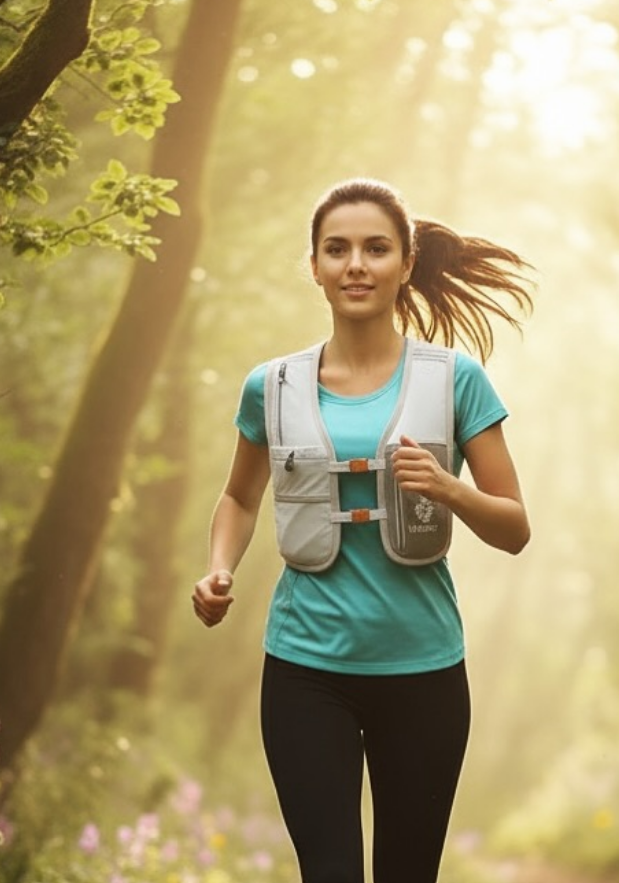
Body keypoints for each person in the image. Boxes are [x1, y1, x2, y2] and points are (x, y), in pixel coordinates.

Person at [192, 178, 533, 883]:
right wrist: (219, 566)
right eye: (337, 248)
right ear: (314, 265)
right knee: (332, 872)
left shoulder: (455, 380)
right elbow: (238, 496)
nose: (356, 264)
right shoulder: (272, 386)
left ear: (406, 262)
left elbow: (515, 526)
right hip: (305, 670)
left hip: (425, 671)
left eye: (376, 248)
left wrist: (447, 487)